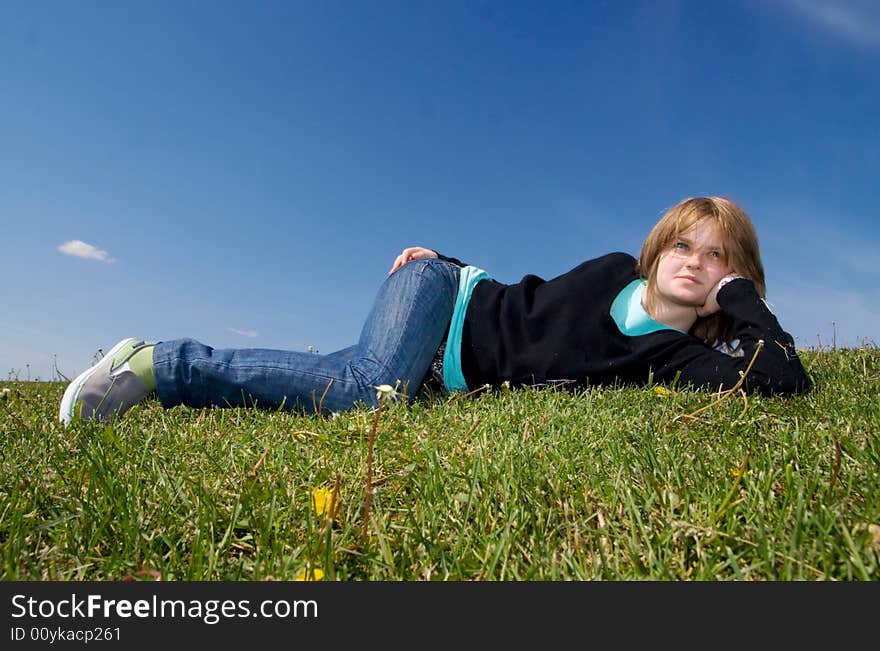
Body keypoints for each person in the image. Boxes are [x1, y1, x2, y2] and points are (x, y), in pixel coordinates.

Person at [59, 196, 812, 425]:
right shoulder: (616, 268)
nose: (694, 261)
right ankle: (156, 364)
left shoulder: (675, 359)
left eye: (717, 256)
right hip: (440, 296)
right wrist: (440, 262)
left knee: (329, 382)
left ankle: (151, 362)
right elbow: (515, 296)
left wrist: (743, 302)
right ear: (658, 248)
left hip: (429, 374)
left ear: (734, 276)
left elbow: (781, 378)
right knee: (363, 394)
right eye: (684, 243)